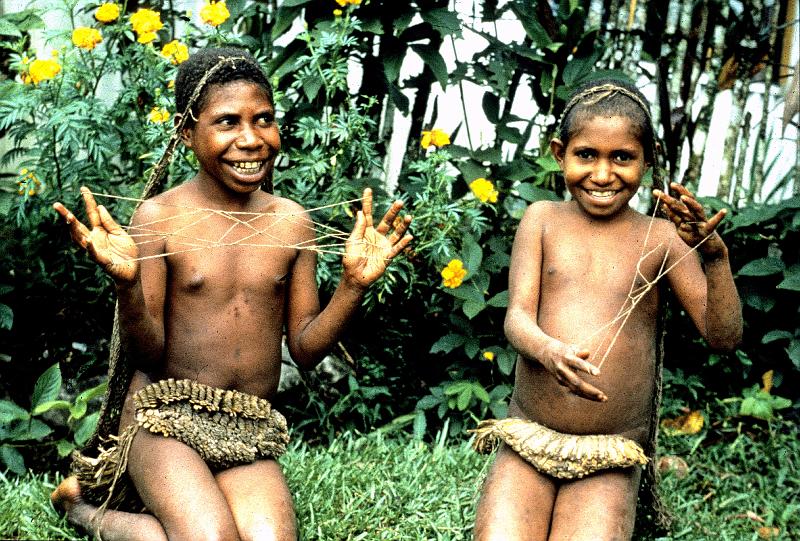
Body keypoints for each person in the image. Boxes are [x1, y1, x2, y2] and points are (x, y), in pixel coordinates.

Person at [50, 47, 412, 541]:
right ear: (185, 132)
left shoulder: (291, 222)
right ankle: (84, 511)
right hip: (162, 416)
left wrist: (351, 288)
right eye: (226, 122)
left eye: (263, 120)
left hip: (246, 425)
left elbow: (304, 350)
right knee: (209, 538)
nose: (251, 140)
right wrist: (127, 286)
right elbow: (148, 352)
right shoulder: (160, 218)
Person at [472, 79, 742, 540]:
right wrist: (545, 349)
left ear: (648, 158)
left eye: (622, 157)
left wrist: (715, 258)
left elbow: (723, 337)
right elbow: (516, 317)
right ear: (559, 153)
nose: (602, 174)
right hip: (529, 438)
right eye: (586, 155)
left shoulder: (662, 238)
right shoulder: (541, 219)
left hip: (610, 451)